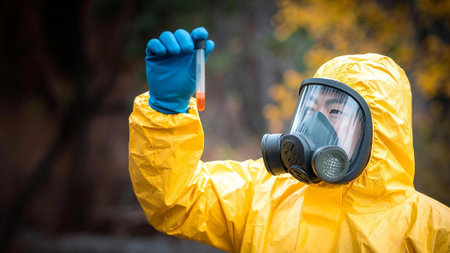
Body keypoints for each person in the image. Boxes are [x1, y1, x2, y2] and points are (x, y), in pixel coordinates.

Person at [128, 27, 450, 252]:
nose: (314, 123)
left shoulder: (431, 232)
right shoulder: (261, 195)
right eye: (310, 108)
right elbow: (176, 200)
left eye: (335, 111)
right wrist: (166, 114)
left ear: (379, 132)